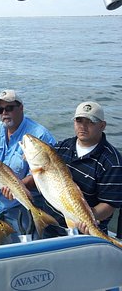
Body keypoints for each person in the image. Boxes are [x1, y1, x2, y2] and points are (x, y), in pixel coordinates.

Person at [0, 89, 56, 246]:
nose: (4, 113)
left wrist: (18, 187)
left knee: (21, 247)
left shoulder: (39, 136)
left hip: (19, 203)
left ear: (21, 108)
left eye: (9, 108)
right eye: (0, 110)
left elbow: (44, 176)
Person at [47, 101, 122, 236]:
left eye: (90, 122)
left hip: (83, 234)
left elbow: (109, 204)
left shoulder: (112, 162)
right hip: (50, 224)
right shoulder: (61, 147)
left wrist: (88, 218)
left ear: (102, 126)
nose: (83, 126)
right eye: (79, 121)